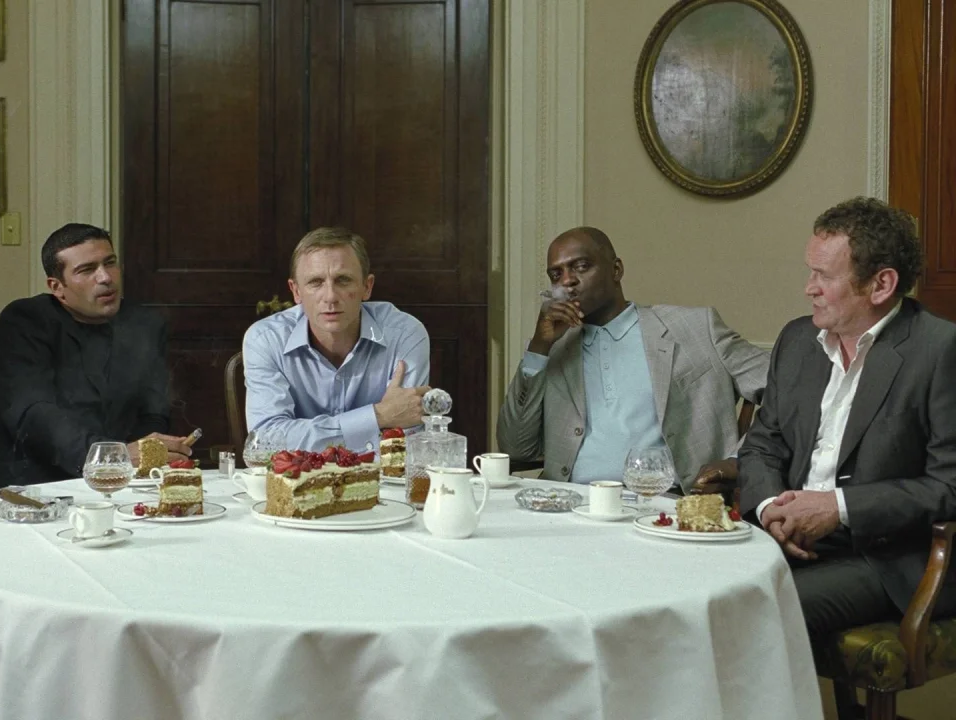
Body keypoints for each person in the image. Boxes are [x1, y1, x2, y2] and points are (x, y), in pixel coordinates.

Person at [738, 197, 956, 638]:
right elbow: (763, 443)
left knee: (754, 611)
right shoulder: (797, 340)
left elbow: (948, 486)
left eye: (823, 275)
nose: (809, 288)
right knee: (686, 586)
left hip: (885, 557)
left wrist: (837, 508)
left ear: (881, 285)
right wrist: (769, 508)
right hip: (786, 536)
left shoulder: (939, 350)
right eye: (810, 272)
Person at [496, 227, 768, 492]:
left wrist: (738, 459)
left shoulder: (694, 327)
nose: (567, 281)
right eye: (556, 275)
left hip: (668, 501)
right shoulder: (553, 350)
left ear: (616, 270)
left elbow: (783, 392)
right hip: (572, 502)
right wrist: (539, 347)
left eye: (581, 266)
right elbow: (516, 448)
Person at [0, 223, 191, 488]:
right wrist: (112, 458)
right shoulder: (24, 321)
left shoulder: (144, 323)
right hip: (26, 484)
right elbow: (35, 415)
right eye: (87, 270)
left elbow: (154, 410)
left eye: (110, 263)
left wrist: (144, 456)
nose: (105, 278)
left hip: (122, 484)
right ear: (57, 287)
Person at [243, 227, 430, 453]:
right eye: (316, 282)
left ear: (367, 287)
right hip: (295, 476)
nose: (330, 296)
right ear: (296, 291)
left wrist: (305, 437)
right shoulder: (265, 339)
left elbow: (406, 443)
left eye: (343, 280)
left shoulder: (404, 334)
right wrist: (379, 416)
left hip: (378, 476)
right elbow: (264, 442)